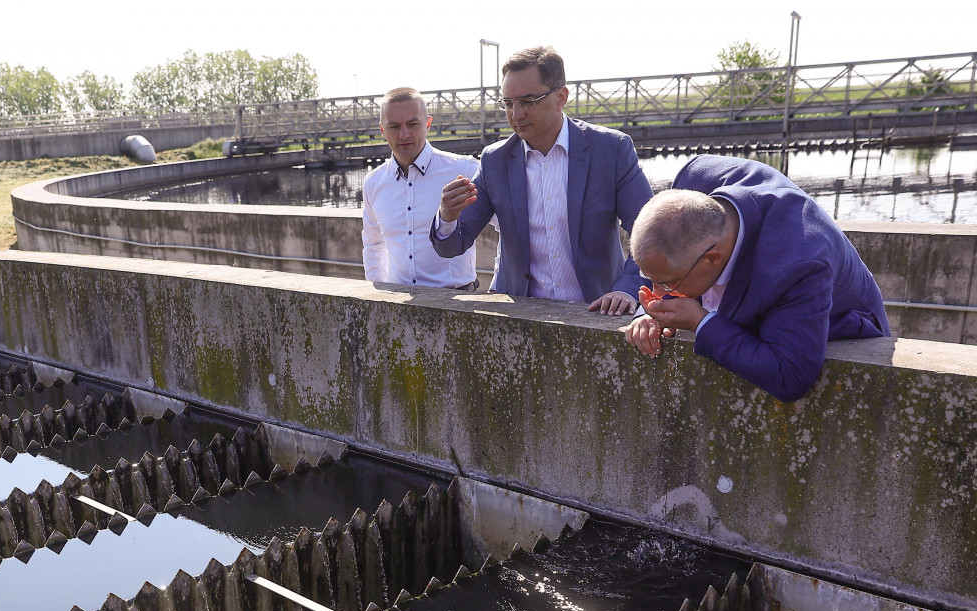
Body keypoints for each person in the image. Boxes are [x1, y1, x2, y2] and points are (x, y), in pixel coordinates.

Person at [624, 154, 890, 402]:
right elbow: (664, 254)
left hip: (843, 326)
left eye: (668, 284)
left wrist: (701, 321)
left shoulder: (798, 263)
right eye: (651, 281)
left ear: (712, 259)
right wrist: (649, 312)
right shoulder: (693, 180)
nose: (659, 291)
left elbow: (791, 376)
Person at [431, 45, 653, 314]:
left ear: (561, 97)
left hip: (597, 313)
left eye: (528, 101)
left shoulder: (611, 150)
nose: (516, 114)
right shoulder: (495, 161)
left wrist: (626, 289)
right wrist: (447, 217)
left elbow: (651, 232)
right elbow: (452, 246)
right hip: (521, 320)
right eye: (508, 103)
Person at [362, 88, 481, 289]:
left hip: (457, 305)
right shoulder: (373, 183)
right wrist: (376, 299)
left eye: (412, 124)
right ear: (382, 129)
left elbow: (505, 227)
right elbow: (374, 246)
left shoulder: (465, 170)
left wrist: (499, 282)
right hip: (397, 306)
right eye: (394, 126)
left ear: (428, 124)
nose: (404, 134)